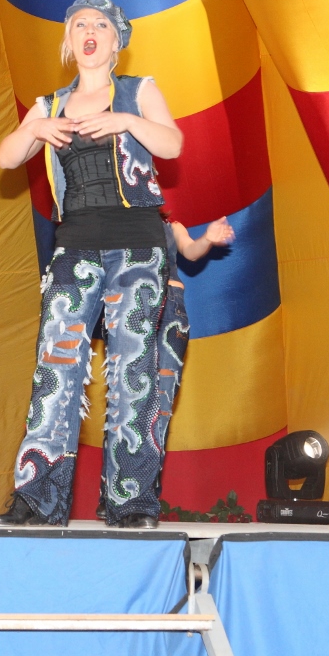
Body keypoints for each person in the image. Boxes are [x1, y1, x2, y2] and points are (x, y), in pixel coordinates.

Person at [0, 0, 184, 529]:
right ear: (69, 41)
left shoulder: (138, 91)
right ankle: (38, 498)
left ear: (116, 41)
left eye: (101, 24)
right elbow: (5, 157)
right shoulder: (50, 104)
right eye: (79, 24)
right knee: (55, 368)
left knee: (134, 372)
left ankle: (131, 501)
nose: (90, 31)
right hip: (74, 247)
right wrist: (33, 130)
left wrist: (125, 120)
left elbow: (172, 144)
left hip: (138, 247)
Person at [96, 217, 235, 518]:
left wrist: (208, 238)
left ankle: (142, 494)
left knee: (161, 405)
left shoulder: (172, 226)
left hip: (171, 307)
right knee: (125, 400)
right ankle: (114, 493)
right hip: (129, 307)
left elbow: (191, 251)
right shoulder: (113, 220)